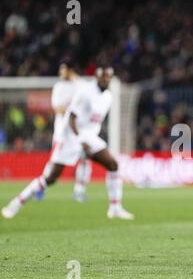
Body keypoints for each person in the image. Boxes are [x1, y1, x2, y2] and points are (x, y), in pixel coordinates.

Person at [2, 64, 134, 220]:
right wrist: (80, 140)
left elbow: (93, 122)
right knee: (50, 178)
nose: (106, 79)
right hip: (70, 136)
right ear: (97, 77)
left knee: (113, 165)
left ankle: (115, 208)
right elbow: (71, 117)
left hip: (88, 137)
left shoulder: (108, 97)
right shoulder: (86, 92)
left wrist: (90, 139)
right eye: (103, 76)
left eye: (109, 77)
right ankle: (16, 203)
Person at [34, 59, 92, 203]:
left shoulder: (81, 85)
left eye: (63, 69)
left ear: (70, 70)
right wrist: (74, 110)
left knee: (85, 159)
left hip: (79, 131)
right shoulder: (59, 86)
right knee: (54, 161)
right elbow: (57, 108)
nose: (60, 72)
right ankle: (42, 187)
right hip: (62, 132)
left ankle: (79, 191)